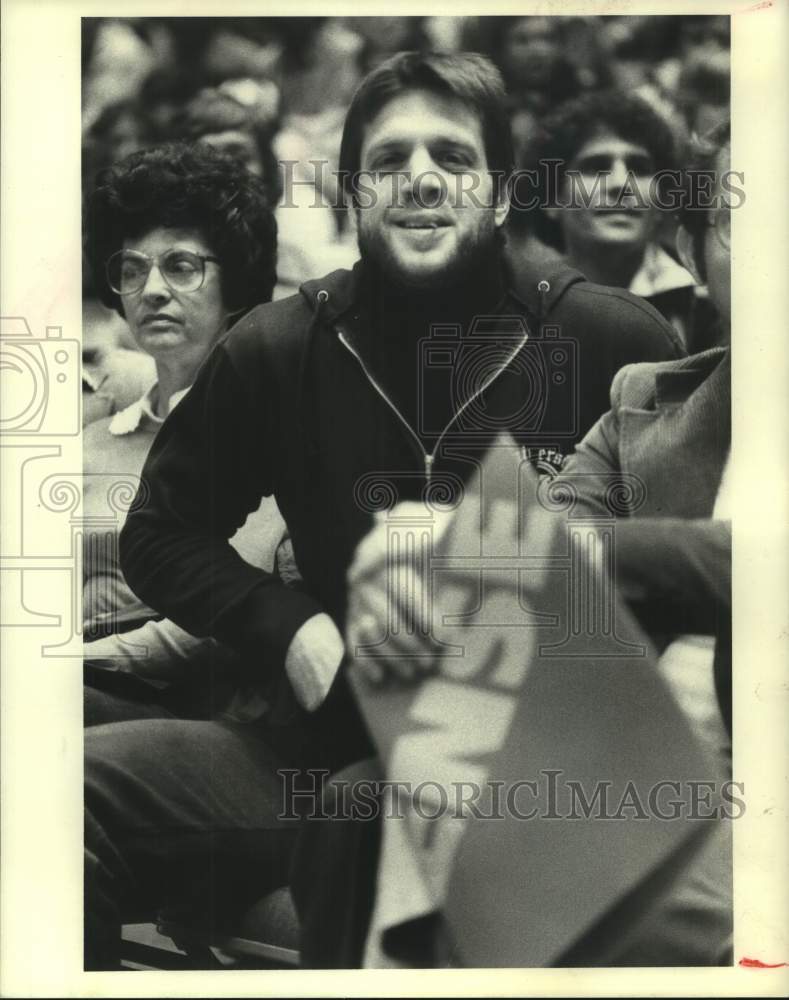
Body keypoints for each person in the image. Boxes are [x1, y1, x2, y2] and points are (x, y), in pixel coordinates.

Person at [112, 51, 683, 969]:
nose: (419, 179)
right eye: (388, 162)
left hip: (525, 767)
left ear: (500, 195)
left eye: (453, 159)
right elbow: (159, 535)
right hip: (299, 746)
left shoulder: (609, 340)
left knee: (361, 814)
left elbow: (676, 596)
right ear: (352, 193)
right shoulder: (278, 347)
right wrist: (284, 622)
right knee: (58, 783)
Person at [342, 120, 733, 967]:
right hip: (631, 768)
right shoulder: (645, 402)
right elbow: (544, 539)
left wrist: (569, 560)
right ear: (696, 253)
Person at [511, 89, 719, 352]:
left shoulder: (708, 306)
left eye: (640, 169)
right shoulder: (520, 310)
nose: (621, 184)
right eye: (596, 167)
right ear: (551, 199)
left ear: (661, 203)